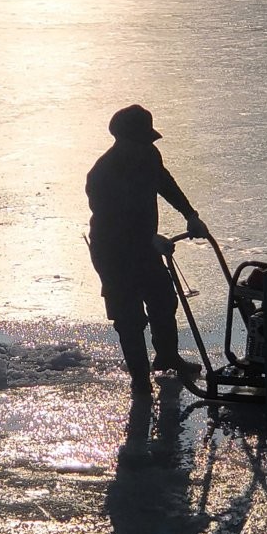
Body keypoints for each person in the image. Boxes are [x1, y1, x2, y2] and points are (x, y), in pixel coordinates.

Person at [86, 105, 209, 395]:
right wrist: (149, 239)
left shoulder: (148, 156)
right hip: (112, 252)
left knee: (163, 299)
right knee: (129, 317)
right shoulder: (103, 174)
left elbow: (165, 183)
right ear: (124, 139)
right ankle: (140, 380)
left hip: (144, 246)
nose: (146, 146)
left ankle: (167, 356)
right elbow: (114, 221)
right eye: (141, 140)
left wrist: (190, 214)